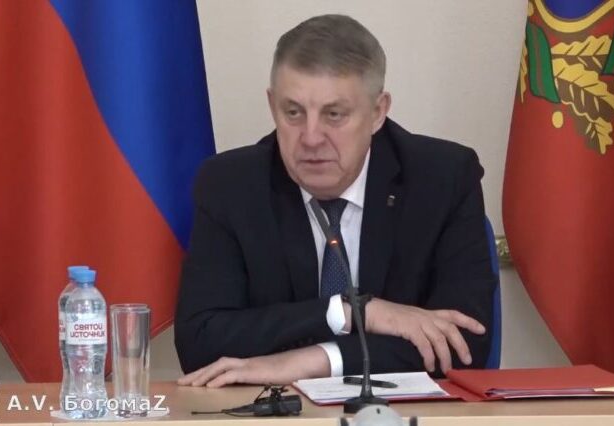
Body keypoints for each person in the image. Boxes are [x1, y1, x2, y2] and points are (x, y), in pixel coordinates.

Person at [174, 14, 496, 388]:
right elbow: (200, 343)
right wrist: (350, 313)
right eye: (293, 112)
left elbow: (464, 345)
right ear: (272, 105)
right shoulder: (232, 185)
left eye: (334, 114)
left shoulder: (442, 179)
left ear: (377, 112)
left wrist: (313, 361)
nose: (311, 138)